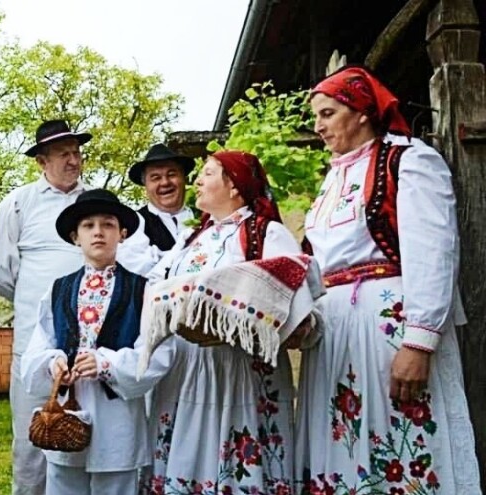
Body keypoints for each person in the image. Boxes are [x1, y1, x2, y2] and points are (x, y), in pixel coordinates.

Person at [295, 65, 481, 494]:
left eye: (327, 113)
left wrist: (419, 341)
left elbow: (433, 251)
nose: (318, 126)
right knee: (342, 449)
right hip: (335, 335)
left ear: (361, 111)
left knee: (400, 444)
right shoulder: (332, 180)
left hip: (387, 328)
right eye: (317, 116)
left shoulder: (408, 159)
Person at [141, 151, 306, 494]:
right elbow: (155, 283)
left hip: (241, 370)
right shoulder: (191, 240)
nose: (197, 181)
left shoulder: (266, 234)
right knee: (189, 448)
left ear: (233, 185)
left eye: (208, 173)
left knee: (238, 450)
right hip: (188, 368)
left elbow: (295, 302)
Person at [21, 189, 173, 495]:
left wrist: (107, 364)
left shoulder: (144, 291)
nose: (98, 232)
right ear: (75, 237)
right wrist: (54, 363)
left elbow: (157, 353)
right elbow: (39, 345)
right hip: (64, 416)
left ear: (123, 234)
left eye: (108, 225)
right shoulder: (58, 289)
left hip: (117, 417)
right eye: (88, 226)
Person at [0, 119, 92, 494]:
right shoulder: (19, 202)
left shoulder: (93, 202)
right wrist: (44, 304)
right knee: (31, 443)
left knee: (84, 441)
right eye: (64, 153)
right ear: (41, 161)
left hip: (90, 351)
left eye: (77, 152)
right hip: (33, 345)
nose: (73, 160)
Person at [118, 143, 196, 276]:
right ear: (145, 185)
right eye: (156, 178)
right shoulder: (134, 224)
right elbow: (138, 267)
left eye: (172, 174)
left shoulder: (204, 217)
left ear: (184, 178)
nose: (165, 182)